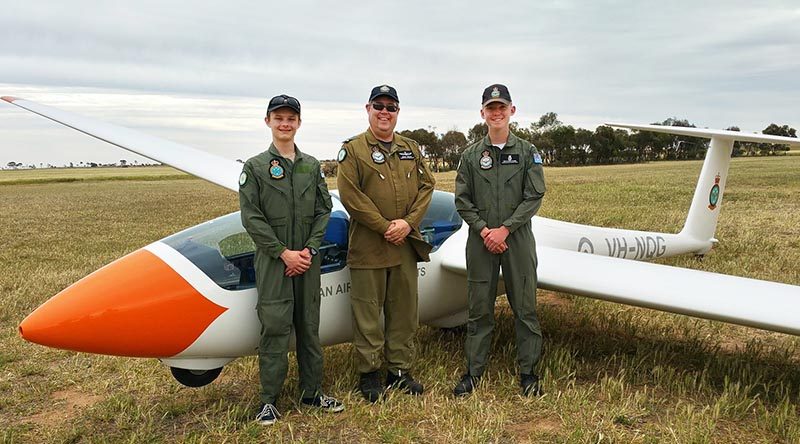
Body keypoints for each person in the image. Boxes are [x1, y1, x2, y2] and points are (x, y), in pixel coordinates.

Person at [239, 94, 343, 425]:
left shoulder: (311, 166)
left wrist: (309, 250)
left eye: (291, 118)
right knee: (274, 327)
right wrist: (283, 253)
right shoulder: (254, 167)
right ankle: (269, 400)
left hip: (307, 261)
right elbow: (252, 217)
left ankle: (312, 393)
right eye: (278, 117)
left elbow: (323, 209)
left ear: (299, 123)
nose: (285, 123)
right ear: (267, 121)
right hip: (274, 262)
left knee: (309, 327)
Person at [336, 85, 435, 402]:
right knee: (367, 315)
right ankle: (369, 375)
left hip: (405, 245)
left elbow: (427, 186)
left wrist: (408, 223)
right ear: (368, 109)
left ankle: (399, 371)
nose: (384, 112)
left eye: (390, 107)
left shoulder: (410, 148)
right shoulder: (353, 150)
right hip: (369, 247)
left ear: (397, 112)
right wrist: (384, 227)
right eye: (378, 106)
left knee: (403, 312)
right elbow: (351, 197)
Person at [452, 84, 547, 397]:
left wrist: (505, 229)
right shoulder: (470, 155)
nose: (496, 113)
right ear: (482, 113)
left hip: (517, 240)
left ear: (512, 111)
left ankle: (529, 373)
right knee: (479, 310)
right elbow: (463, 200)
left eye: (501, 107)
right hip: (480, 241)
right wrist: (484, 231)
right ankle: (473, 373)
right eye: (491, 108)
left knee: (525, 309)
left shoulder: (527, 152)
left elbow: (534, 196)